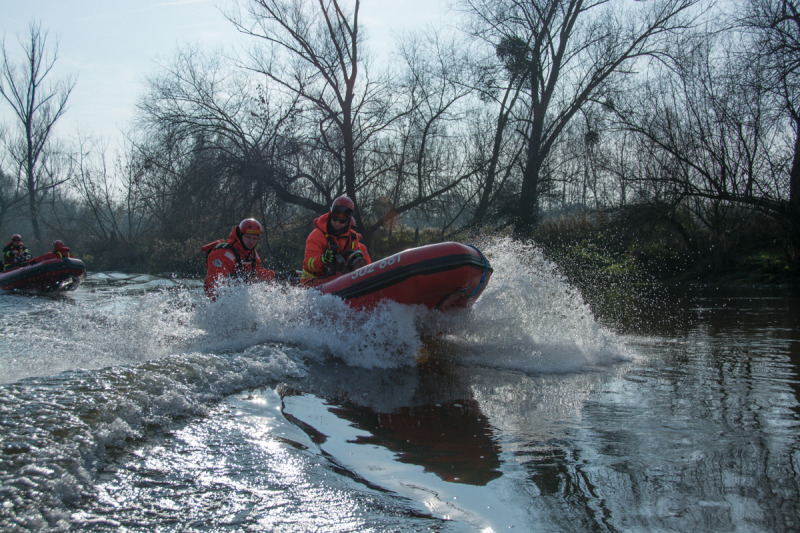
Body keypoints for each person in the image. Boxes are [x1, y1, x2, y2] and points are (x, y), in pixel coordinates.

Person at [301, 196, 371, 285]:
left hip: (340, 281)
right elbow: (308, 264)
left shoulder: (352, 237)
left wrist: (356, 259)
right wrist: (323, 260)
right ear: (330, 215)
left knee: (361, 250)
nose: (337, 223)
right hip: (314, 283)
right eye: (334, 219)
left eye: (342, 221)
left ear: (348, 221)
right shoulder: (316, 236)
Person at [202, 218, 276, 298]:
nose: (251, 242)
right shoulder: (222, 253)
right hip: (217, 301)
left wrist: (278, 277)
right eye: (248, 237)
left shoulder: (252, 254)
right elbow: (214, 284)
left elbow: (257, 274)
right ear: (240, 237)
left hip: (239, 297)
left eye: (255, 238)